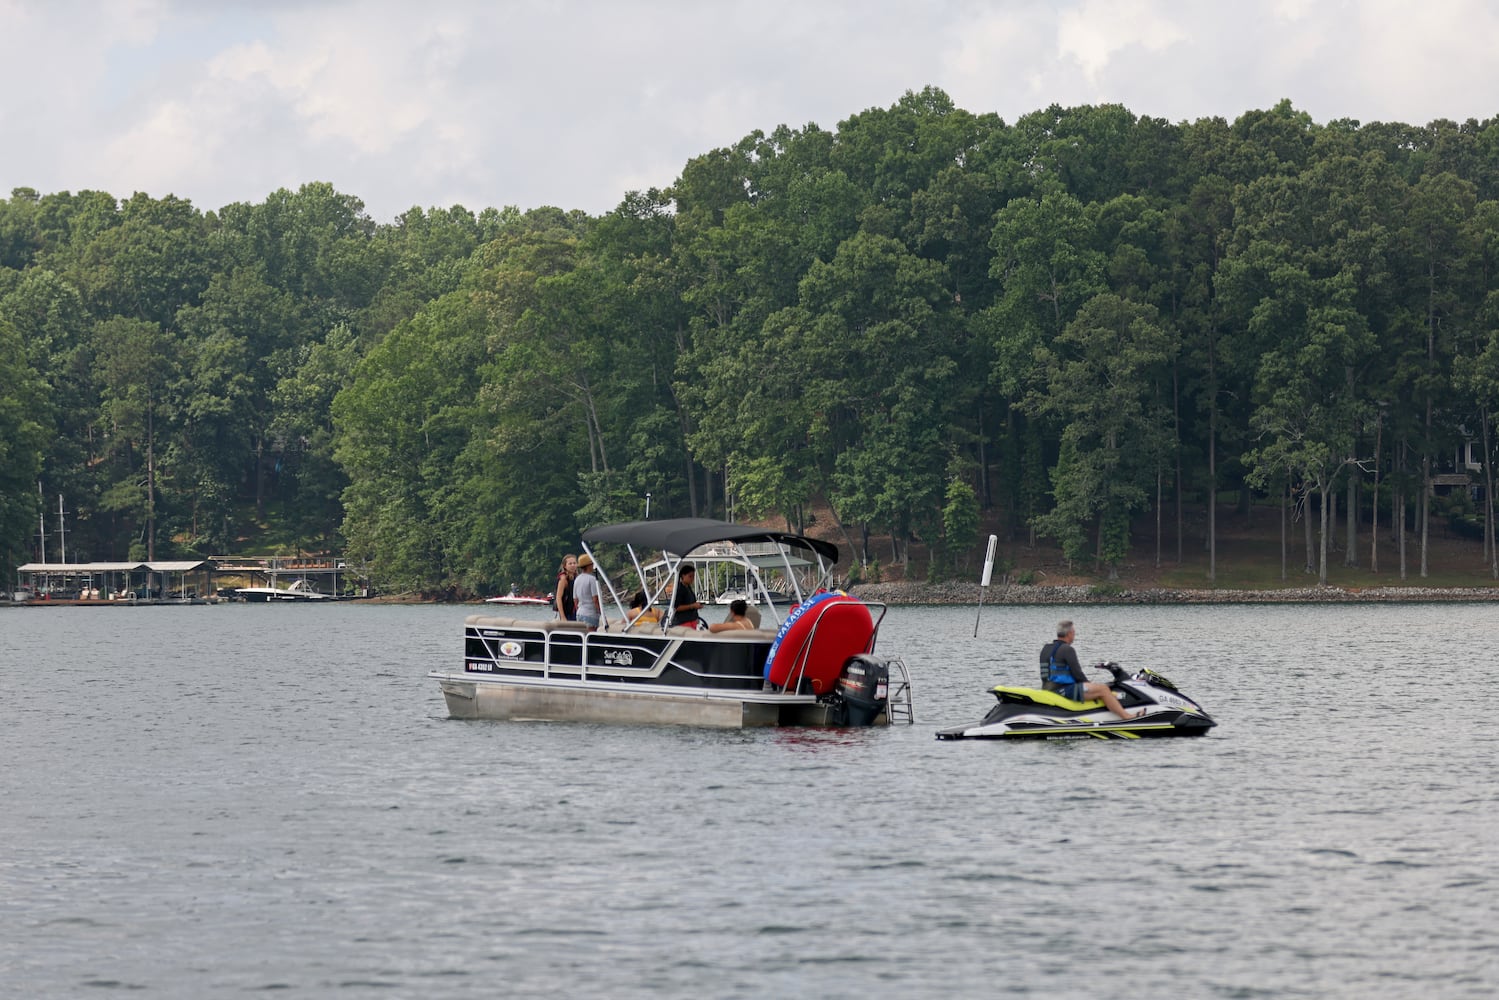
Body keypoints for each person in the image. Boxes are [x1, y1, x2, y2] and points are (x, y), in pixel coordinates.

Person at [1039, 620, 1141, 720]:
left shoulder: (1046, 648)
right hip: (1063, 690)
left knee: (1096, 687)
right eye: (1074, 632)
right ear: (1069, 633)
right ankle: (1126, 716)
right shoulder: (1067, 649)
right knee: (1103, 689)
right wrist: (1089, 685)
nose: (1074, 635)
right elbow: (1078, 674)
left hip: (1047, 689)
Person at [670, 564, 705, 629]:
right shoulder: (679, 589)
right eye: (690, 576)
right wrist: (692, 606)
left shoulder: (688, 587)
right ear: (683, 576)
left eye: (693, 577)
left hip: (692, 620)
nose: (692, 579)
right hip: (683, 622)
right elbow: (676, 607)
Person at [574, 553, 602, 629]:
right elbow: (595, 599)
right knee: (591, 637)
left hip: (580, 613)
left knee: (582, 637)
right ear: (589, 565)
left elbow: (575, 600)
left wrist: (578, 610)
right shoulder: (592, 579)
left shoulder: (577, 579)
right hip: (590, 613)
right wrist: (601, 613)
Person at [554, 554, 578, 620]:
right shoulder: (563, 579)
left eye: (574, 563)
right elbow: (558, 598)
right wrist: (562, 616)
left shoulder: (576, 577)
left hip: (575, 610)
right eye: (570, 564)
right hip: (567, 612)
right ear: (565, 566)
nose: (573, 565)